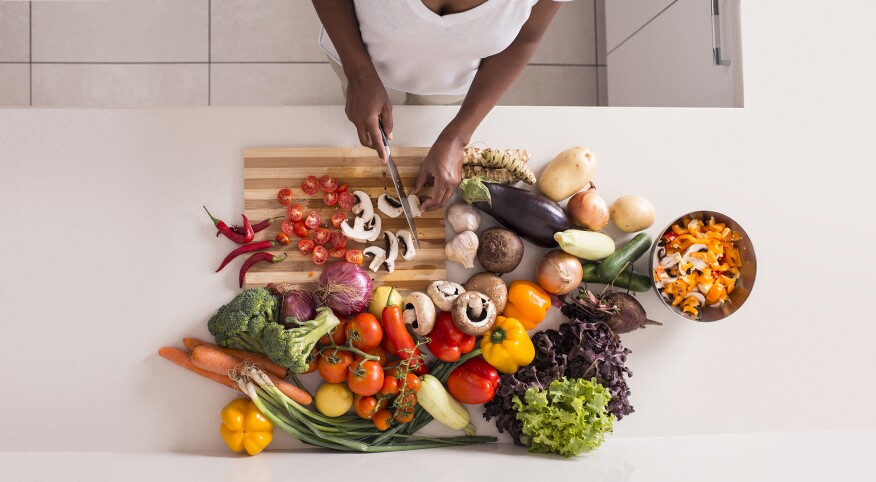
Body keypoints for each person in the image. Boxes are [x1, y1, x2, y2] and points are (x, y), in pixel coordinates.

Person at [313, 0, 571, 210]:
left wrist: (456, 137)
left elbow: (525, 38)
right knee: (358, 111)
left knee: (425, 112)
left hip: (450, 83)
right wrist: (358, 73)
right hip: (357, 57)